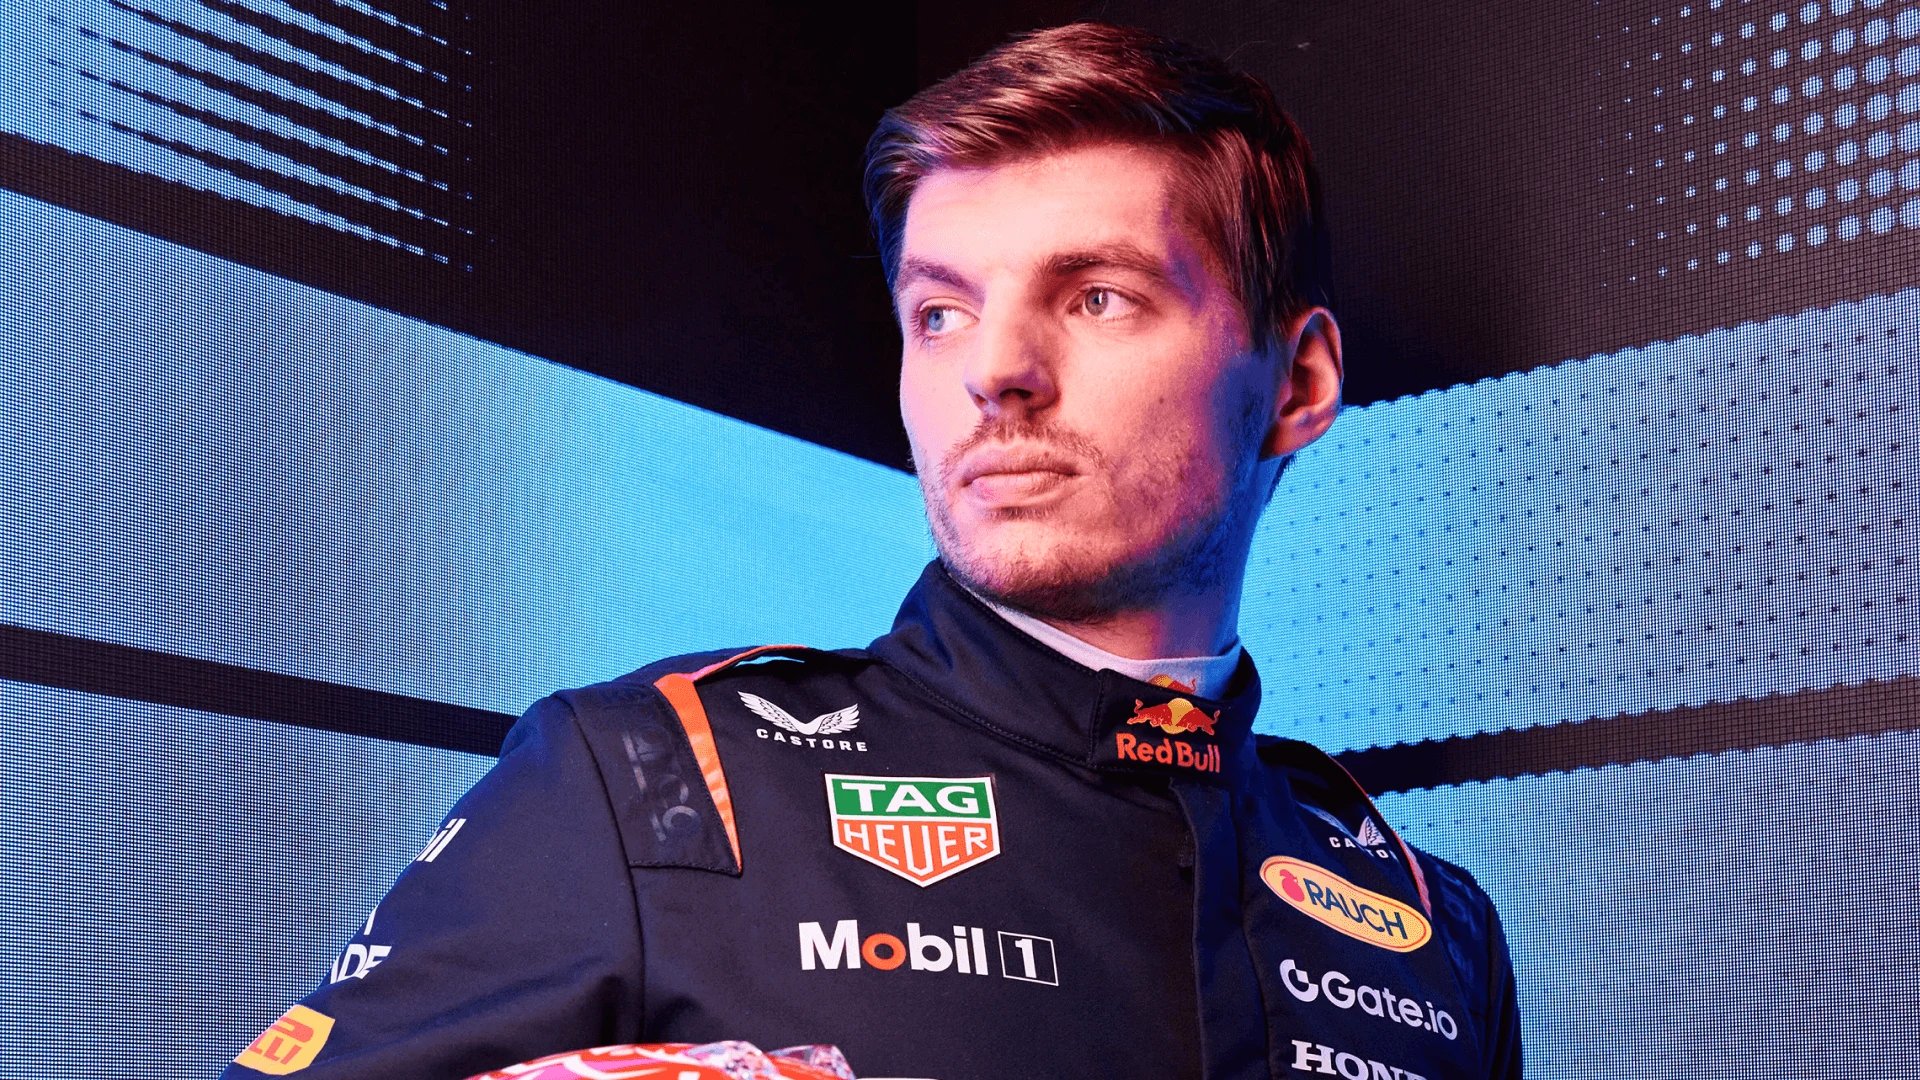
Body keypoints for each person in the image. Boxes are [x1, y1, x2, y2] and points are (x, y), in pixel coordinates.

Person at [226, 22, 1521, 1080]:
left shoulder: (1430, 922)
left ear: (1297, 382)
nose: (997, 370)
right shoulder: (651, 780)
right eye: (941, 312)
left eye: (1098, 297)